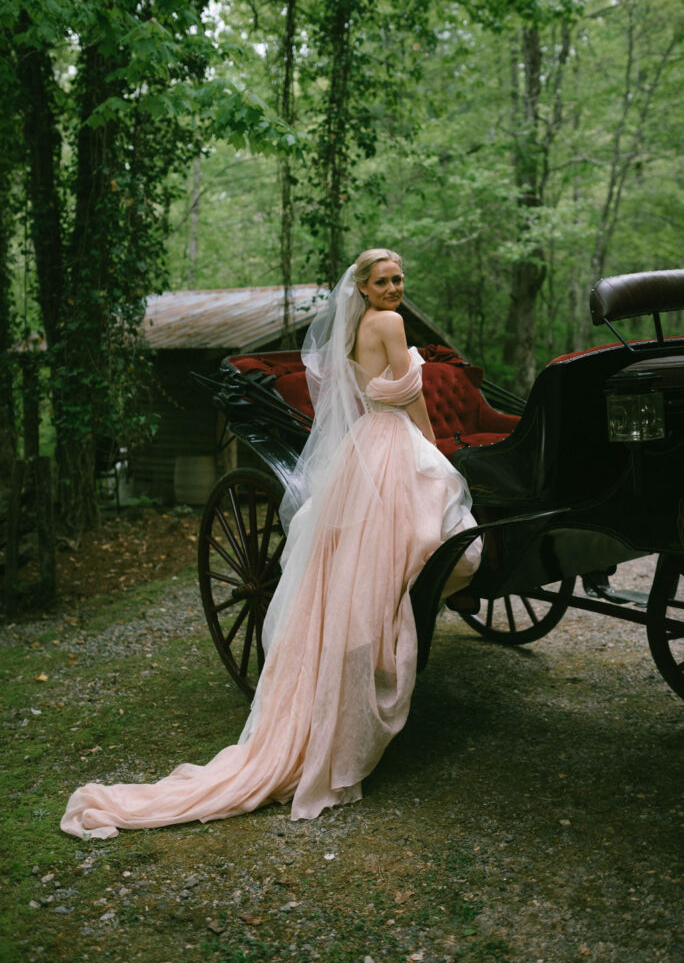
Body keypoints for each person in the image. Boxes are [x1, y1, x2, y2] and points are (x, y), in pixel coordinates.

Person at [60, 248, 481, 840]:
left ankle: (356, 649)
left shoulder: (358, 326)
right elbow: (410, 399)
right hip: (392, 441)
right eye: (383, 280)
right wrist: (437, 453)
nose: (394, 287)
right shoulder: (389, 323)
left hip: (369, 440)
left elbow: (369, 396)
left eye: (399, 278)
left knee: (373, 553)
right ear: (362, 288)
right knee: (434, 528)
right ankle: (383, 639)